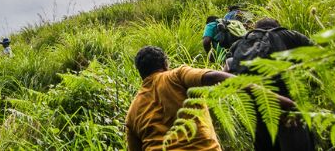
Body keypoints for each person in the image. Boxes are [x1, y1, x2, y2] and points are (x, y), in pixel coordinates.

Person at [125, 46, 295, 151]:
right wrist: (279, 100)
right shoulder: (175, 76)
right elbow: (214, 77)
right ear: (165, 64)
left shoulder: (132, 112)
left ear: (141, 74)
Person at [226, 18, 314, 151]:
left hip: (256, 106)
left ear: (255, 28)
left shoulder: (240, 42)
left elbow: (227, 71)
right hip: (288, 102)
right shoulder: (290, 35)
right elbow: (318, 56)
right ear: (278, 26)